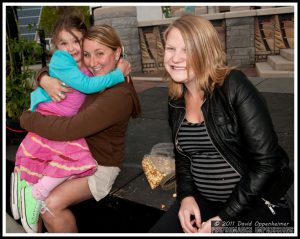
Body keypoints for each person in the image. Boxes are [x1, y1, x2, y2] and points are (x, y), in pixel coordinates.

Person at [149, 14, 293, 233]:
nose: (176, 58)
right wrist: (187, 196)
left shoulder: (233, 85)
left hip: (254, 204)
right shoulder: (176, 98)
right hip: (204, 200)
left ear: (206, 51)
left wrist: (223, 219)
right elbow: (183, 157)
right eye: (171, 49)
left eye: (187, 49)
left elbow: (267, 163)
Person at [11, 14, 131, 233]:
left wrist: (27, 118)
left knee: (47, 205)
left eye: (100, 54)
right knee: (36, 189)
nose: (93, 61)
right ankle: (24, 190)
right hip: (73, 152)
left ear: (117, 53)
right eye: (88, 54)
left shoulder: (119, 94)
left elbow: (69, 129)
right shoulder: (87, 70)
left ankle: (28, 192)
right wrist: (44, 78)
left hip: (98, 164)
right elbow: (63, 70)